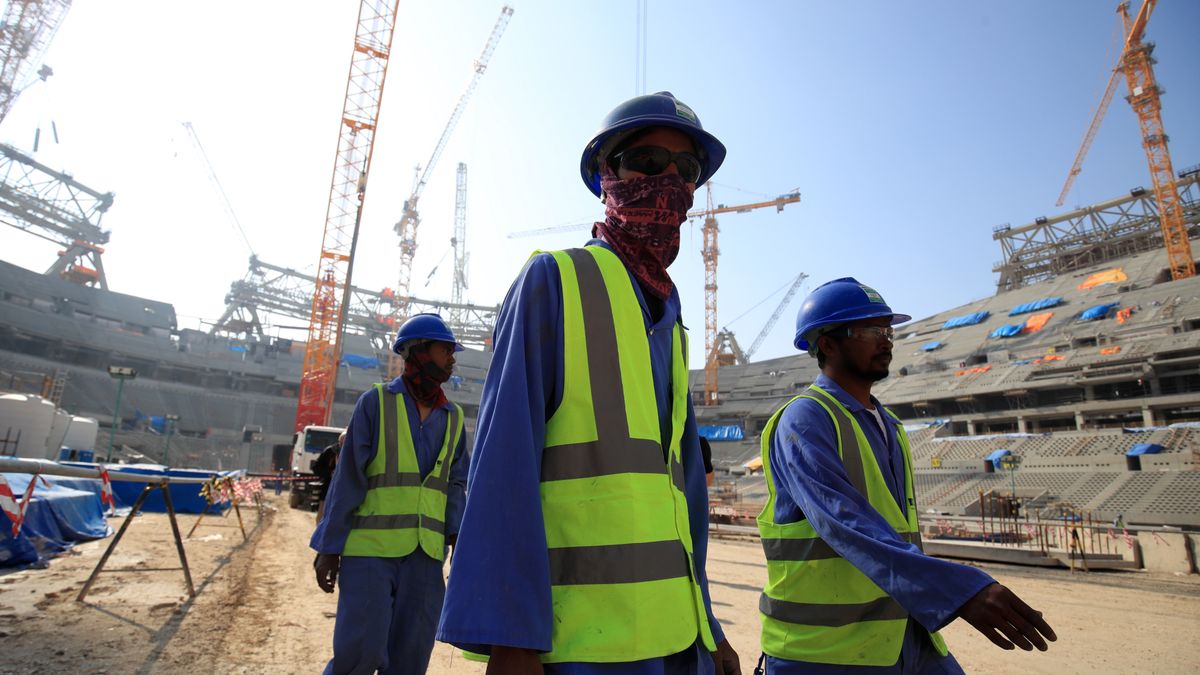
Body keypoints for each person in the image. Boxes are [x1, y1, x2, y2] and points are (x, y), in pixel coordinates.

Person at [438, 91, 741, 674]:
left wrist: (709, 625)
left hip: (677, 640)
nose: (670, 183)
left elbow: (685, 495)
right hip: (581, 647)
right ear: (608, 176)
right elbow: (504, 466)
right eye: (649, 162)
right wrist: (511, 642)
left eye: (688, 171)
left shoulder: (671, 316)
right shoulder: (556, 279)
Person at [755, 278, 1056, 674]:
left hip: (904, 633)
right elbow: (843, 521)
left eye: (887, 330)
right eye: (869, 331)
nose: (886, 341)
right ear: (826, 344)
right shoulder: (806, 417)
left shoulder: (890, 425)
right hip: (825, 649)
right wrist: (956, 589)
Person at [311, 313, 469, 675]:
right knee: (359, 657)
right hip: (369, 555)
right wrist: (329, 549)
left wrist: (460, 544)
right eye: (445, 350)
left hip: (427, 560)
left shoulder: (455, 418)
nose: (452, 358)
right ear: (418, 352)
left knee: (410, 663)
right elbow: (348, 480)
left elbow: (456, 486)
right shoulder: (375, 403)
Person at [312, 430, 345, 524]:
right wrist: (329, 472)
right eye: (342, 442)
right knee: (321, 518)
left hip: (343, 493)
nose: (344, 444)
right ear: (339, 441)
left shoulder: (353, 453)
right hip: (327, 490)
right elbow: (316, 468)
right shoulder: (330, 451)